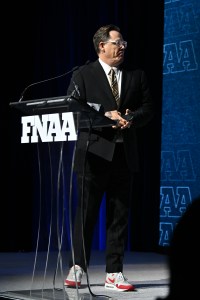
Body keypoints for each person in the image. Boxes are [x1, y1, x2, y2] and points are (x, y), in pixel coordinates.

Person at [64, 24, 155, 292]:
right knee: (86, 213)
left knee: (119, 215)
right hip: (93, 153)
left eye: (124, 42)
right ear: (101, 46)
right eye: (117, 42)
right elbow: (73, 106)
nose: (123, 47)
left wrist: (131, 118)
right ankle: (77, 267)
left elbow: (148, 108)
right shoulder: (82, 74)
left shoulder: (136, 76)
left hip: (124, 155)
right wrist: (106, 115)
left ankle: (114, 272)